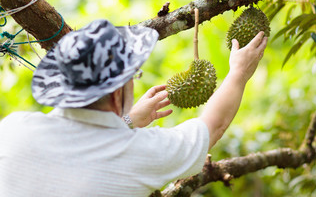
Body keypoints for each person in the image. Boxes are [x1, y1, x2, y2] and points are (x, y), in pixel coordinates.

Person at [0, 19, 267, 196]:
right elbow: (213, 126)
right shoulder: (138, 153)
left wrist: (126, 121)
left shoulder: (13, 129)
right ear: (117, 92)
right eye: (132, 78)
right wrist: (239, 72)